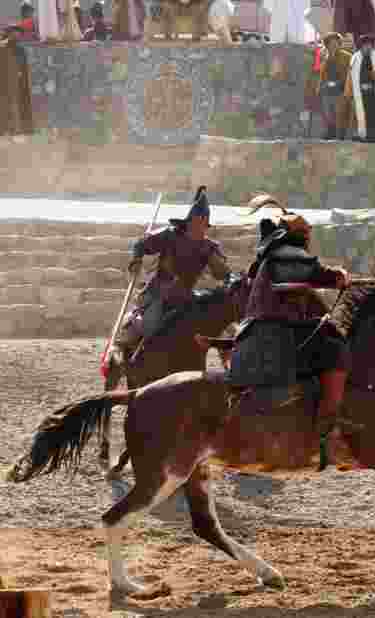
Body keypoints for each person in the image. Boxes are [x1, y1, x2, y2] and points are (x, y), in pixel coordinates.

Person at [238, 196, 352, 471]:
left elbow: (308, 277)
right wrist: (336, 276)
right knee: (336, 347)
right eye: (306, 235)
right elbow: (316, 273)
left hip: (270, 326)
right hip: (277, 329)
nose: (307, 241)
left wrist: (329, 277)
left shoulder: (274, 256)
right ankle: (326, 424)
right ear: (299, 237)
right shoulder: (288, 254)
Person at [116, 187, 231, 361]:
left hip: (186, 296)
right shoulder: (170, 235)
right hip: (159, 292)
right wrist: (136, 261)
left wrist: (221, 267)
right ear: (190, 221)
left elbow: (222, 274)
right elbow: (141, 245)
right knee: (149, 327)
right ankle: (128, 359)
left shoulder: (208, 247)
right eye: (199, 221)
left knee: (218, 326)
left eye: (204, 222)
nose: (202, 227)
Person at [349, 34, 375, 142]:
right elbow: (350, 76)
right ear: (361, 46)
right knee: (362, 112)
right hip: (360, 91)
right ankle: (364, 134)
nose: (367, 47)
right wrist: (349, 91)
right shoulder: (355, 57)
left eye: (369, 45)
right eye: (365, 45)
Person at [318, 32, 354, 141]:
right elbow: (322, 74)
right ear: (327, 45)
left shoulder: (347, 56)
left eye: (335, 43)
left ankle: (340, 135)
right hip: (327, 90)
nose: (333, 45)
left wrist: (341, 85)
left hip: (341, 90)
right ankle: (331, 132)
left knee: (340, 113)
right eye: (330, 43)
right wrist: (321, 87)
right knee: (328, 113)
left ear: (339, 43)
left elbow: (349, 74)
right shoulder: (325, 56)